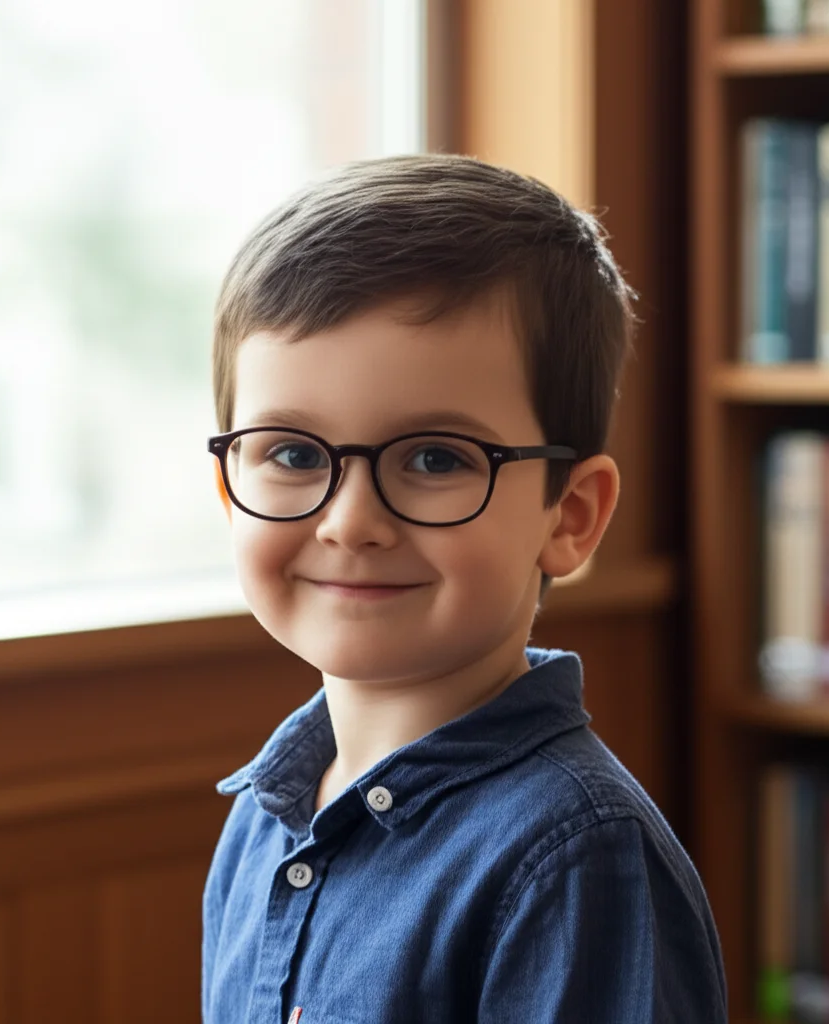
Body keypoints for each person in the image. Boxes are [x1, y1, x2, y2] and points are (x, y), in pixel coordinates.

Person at [201, 154, 727, 1024]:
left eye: (436, 459)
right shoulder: (264, 818)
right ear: (229, 491)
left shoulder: (575, 858)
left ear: (571, 515)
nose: (350, 521)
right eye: (293, 454)